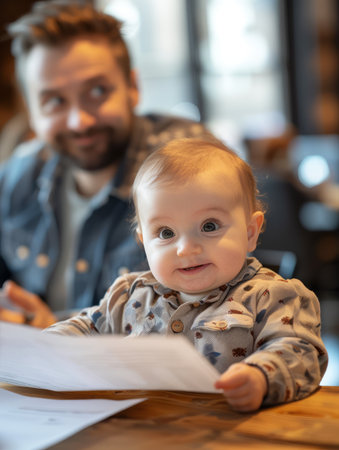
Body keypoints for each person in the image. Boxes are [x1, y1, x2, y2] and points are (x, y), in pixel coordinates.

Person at [45, 137, 328, 412]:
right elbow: (85, 327)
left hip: (231, 431)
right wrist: (44, 346)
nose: (186, 248)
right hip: (140, 430)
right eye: (166, 233)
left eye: (209, 226)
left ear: (250, 232)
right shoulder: (127, 296)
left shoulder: (273, 297)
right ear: (144, 242)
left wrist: (260, 377)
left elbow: (300, 351)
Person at [0, 0, 217, 328]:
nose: (79, 121)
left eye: (98, 91)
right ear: (31, 111)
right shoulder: (18, 177)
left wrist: (61, 334)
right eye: (54, 101)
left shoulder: (188, 168)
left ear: (133, 87)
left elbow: (212, 322)